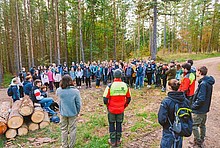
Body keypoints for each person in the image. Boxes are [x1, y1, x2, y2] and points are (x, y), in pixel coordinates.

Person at [158, 79, 190, 148]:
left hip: (168, 131)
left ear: (169, 87)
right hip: (180, 130)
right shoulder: (185, 100)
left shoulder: (166, 102)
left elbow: (161, 119)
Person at [103, 69, 131, 147]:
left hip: (111, 109)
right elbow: (129, 98)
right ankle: (118, 140)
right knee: (119, 123)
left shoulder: (110, 86)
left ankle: (112, 141)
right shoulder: (125, 85)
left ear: (114, 76)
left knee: (111, 123)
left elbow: (105, 99)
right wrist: (124, 106)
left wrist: (108, 106)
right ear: (121, 76)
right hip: (121, 109)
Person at [191, 66, 215, 147]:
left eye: (197, 71)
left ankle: (198, 142)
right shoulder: (207, 82)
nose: (196, 73)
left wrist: (193, 106)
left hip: (200, 109)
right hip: (204, 108)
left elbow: (201, 99)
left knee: (194, 125)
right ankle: (200, 139)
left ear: (199, 72)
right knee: (202, 125)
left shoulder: (203, 84)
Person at [56, 75, 82, 148]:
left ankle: (64, 145)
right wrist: (77, 112)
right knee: (72, 129)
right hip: (73, 113)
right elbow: (79, 104)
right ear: (71, 81)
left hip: (63, 112)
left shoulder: (59, 90)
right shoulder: (75, 91)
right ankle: (71, 145)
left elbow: (57, 95)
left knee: (63, 129)